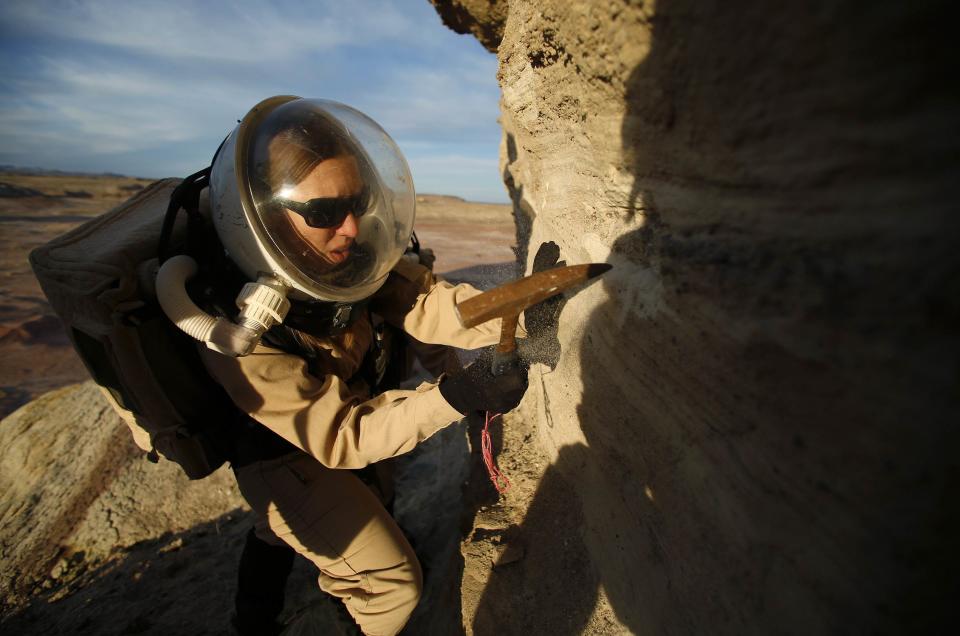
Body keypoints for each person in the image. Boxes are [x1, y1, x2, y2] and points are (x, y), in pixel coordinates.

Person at [173, 96, 531, 636]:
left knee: (372, 501)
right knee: (391, 584)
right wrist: (457, 396)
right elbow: (341, 436)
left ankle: (317, 605)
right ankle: (257, 622)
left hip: (354, 403)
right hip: (284, 451)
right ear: (266, 217)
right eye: (321, 213)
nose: (349, 229)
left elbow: (431, 307)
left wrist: (524, 308)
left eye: (356, 203)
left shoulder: (352, 257)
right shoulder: (227, 323)